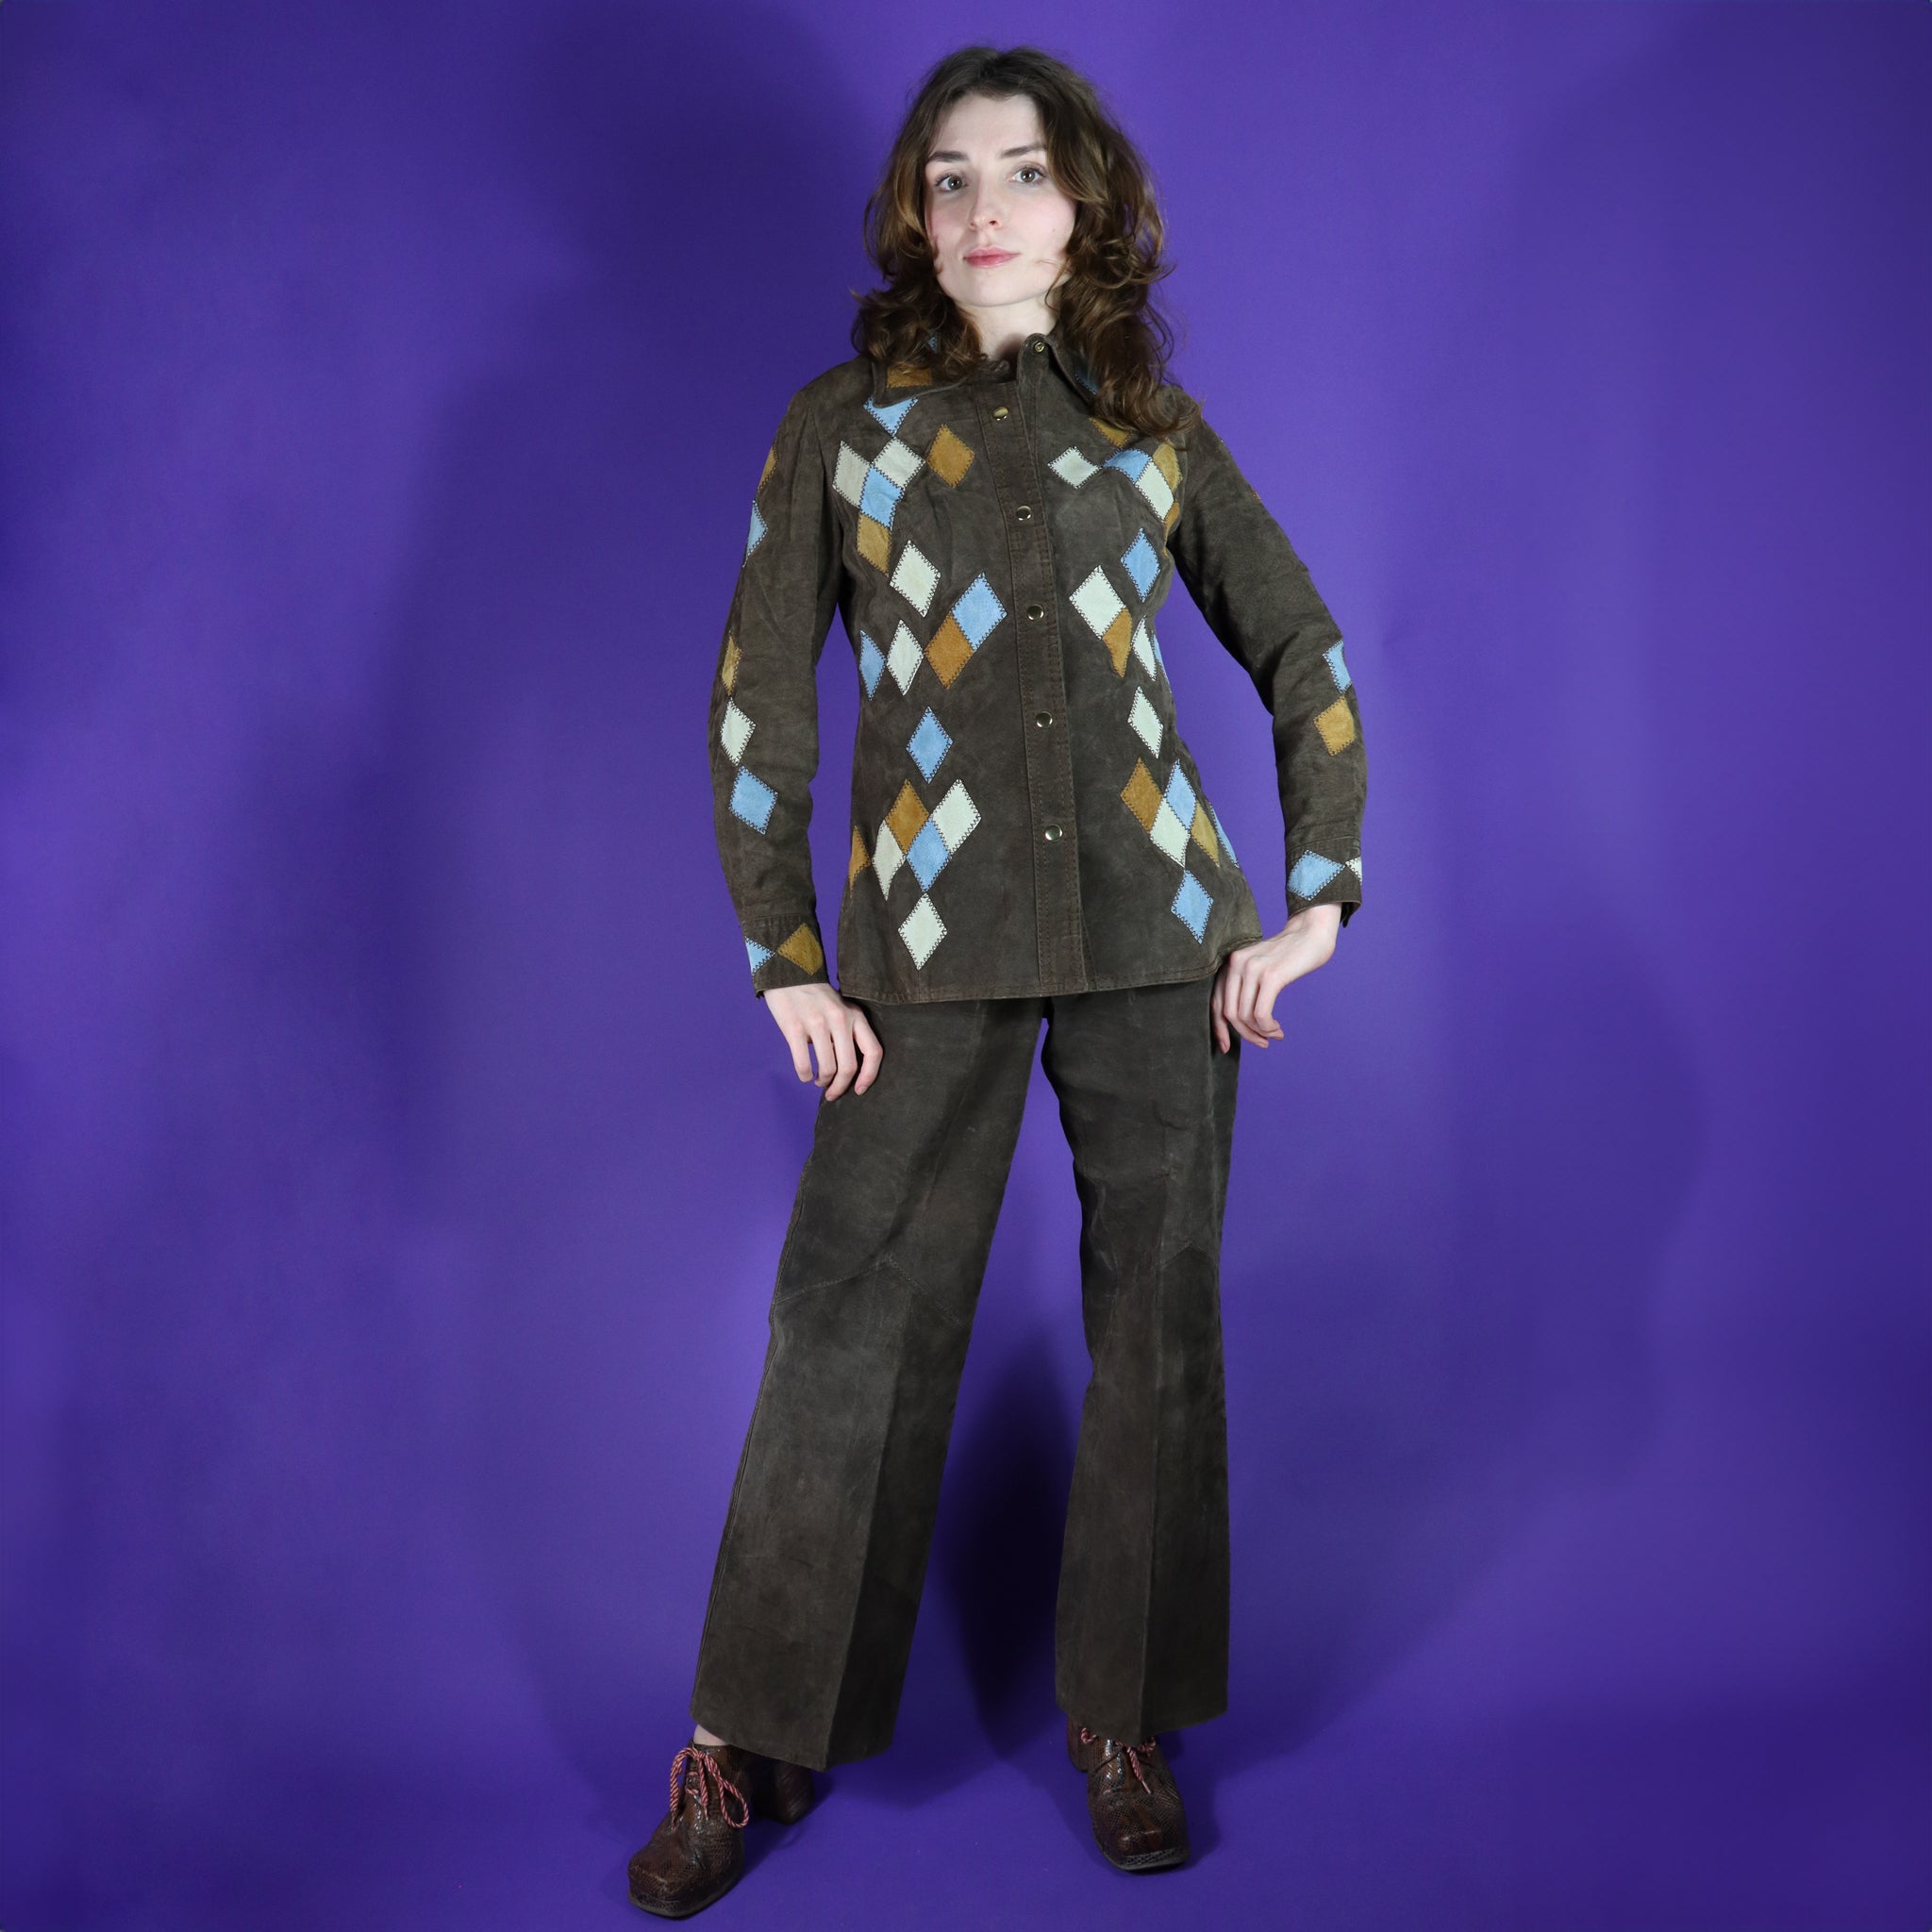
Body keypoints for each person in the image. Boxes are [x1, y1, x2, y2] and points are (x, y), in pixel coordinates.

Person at [628, 42, 1366, 1918]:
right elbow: (753, 702)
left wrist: (1318, 901)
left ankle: (1127, 1719)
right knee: (848, 1332)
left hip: (1161, 945)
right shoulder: (841, 426)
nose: (981, 210)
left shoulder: (1149, 422)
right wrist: (783, 954)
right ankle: (747, 1736)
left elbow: (1305, 653)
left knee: (1158, 1332)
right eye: (947, 176)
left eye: (1021, 171)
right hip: (920, 955)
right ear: (911, 209)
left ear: (1086, 200)